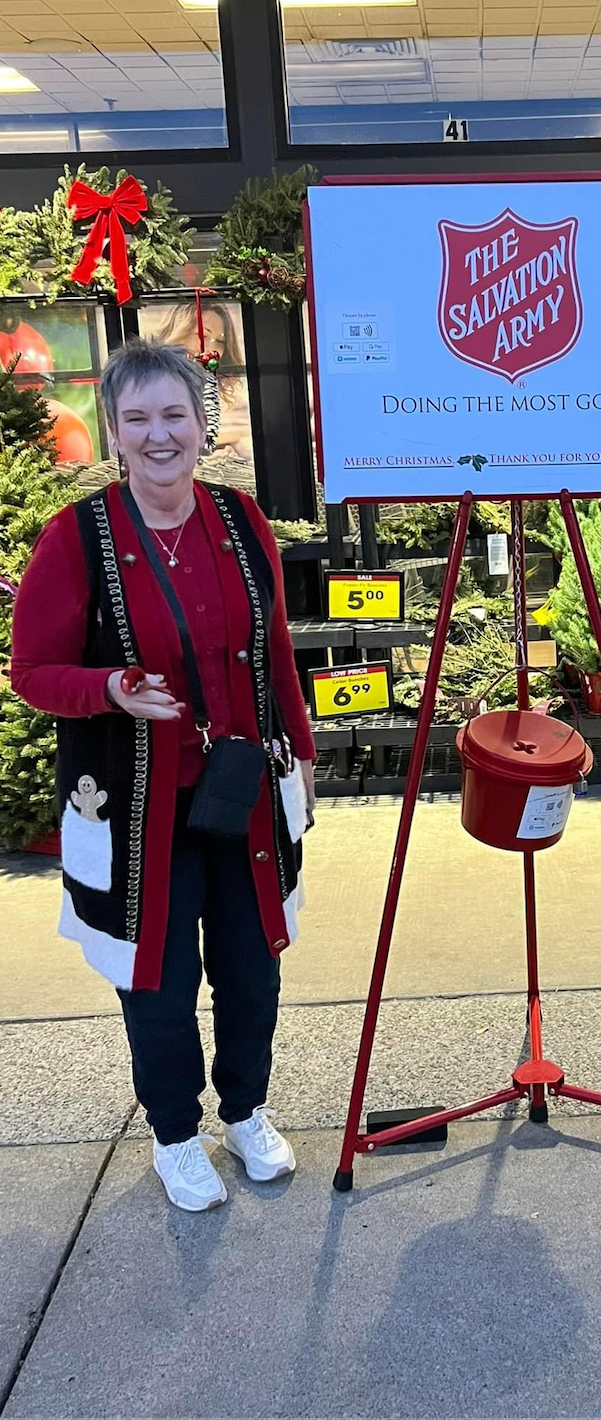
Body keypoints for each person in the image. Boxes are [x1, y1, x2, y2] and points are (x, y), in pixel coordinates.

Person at [11, 338, 317, 1213]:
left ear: (201, 423)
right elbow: (31, 671)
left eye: (173, 416)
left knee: (254, 967)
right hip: (138, 809)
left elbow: (276, 656)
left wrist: (298, 756)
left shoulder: (238, 519)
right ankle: (176, 1134)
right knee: (157, 977)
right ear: (113, 430)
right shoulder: (78, 538)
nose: (158, 435)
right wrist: (109, 688)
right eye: (137, 418)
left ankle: (247, 1111)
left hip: (244, 791)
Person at [153, 301, 253, 460]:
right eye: (202, 336)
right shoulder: (150, 386)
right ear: (178, 332)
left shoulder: (203, 388)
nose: (212, 348)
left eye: (220, 341)